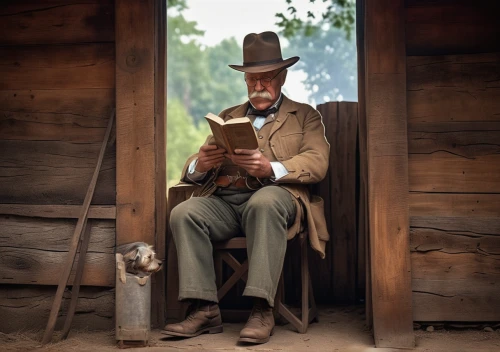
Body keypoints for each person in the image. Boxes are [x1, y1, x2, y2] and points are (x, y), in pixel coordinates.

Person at [163, 31, 330, 344]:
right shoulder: (229, 116)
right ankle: (204, 309)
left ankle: (262, 308)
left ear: (282, 77)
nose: (258, 86)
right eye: (251, 80)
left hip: (277, 199)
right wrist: (202, 162)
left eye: (266, 79)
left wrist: (271, 168)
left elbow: (317, 162)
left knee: (263, 203)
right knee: (184, 213)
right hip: (226, 202)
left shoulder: (305, 116)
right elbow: (192, 167)